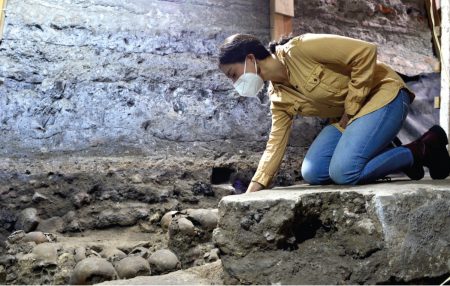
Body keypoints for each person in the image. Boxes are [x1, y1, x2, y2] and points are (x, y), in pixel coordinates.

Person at [218, 33, 450, 193]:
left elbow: (365, 52)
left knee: (344, 173)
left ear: (250, 58)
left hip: (384, 95)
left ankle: (420, 149)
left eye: (233, 74)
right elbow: (275, 144)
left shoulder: (301, 48)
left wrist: (350, 109)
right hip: (351, 119)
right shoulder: (277, 97)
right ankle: (379, 153)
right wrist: (255, 187)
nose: (235, 83)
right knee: (313, 172)